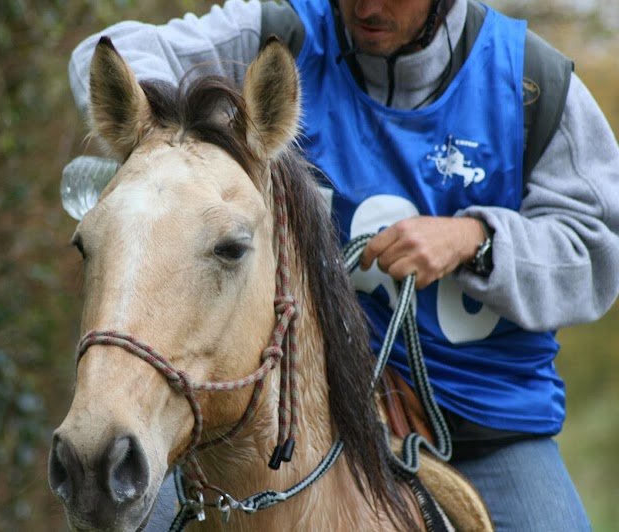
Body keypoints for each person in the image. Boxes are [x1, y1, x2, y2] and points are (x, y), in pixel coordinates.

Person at [67, 1, 619, 530]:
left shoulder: (534, 82)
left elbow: (597, 250)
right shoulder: (282, 28)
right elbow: (106, 50)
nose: (365, 9)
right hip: (295, 413)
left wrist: (477, 239)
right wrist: (189, 153)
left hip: (486, 426)